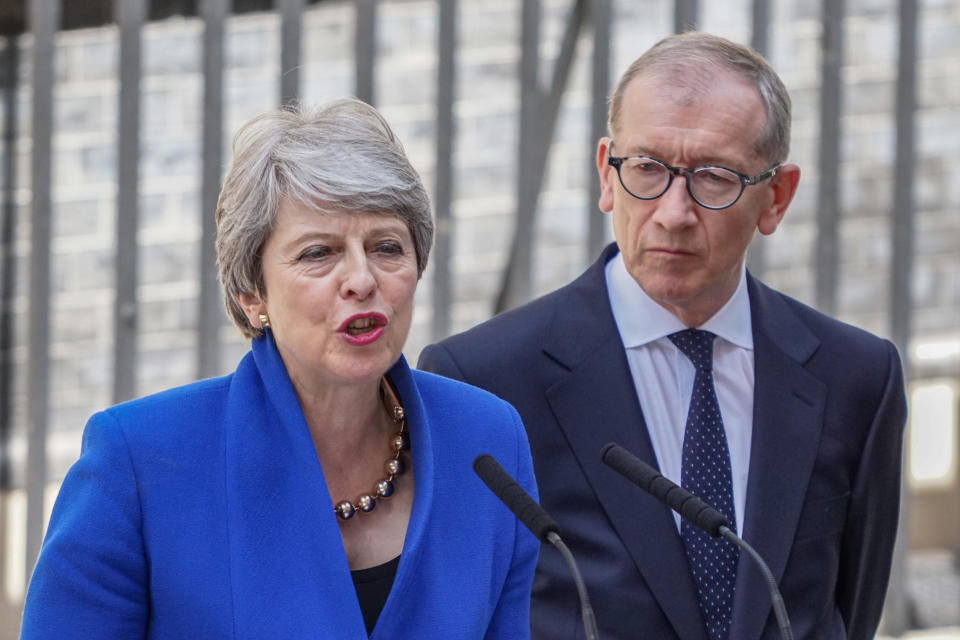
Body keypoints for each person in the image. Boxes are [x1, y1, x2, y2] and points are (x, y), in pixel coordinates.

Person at [419, 32, 906, 640]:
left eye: (714, 178)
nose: (674, 213)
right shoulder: (481, 379)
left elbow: (852, 605)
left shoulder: (857, 376)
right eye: (647, 168)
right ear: (606, 173)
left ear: (775, 198)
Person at [21, 99, 539, 639]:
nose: (361, 279)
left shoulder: (488, 440)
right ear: (252, 296)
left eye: (387, 247)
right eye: (319, 253)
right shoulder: (140, 461)